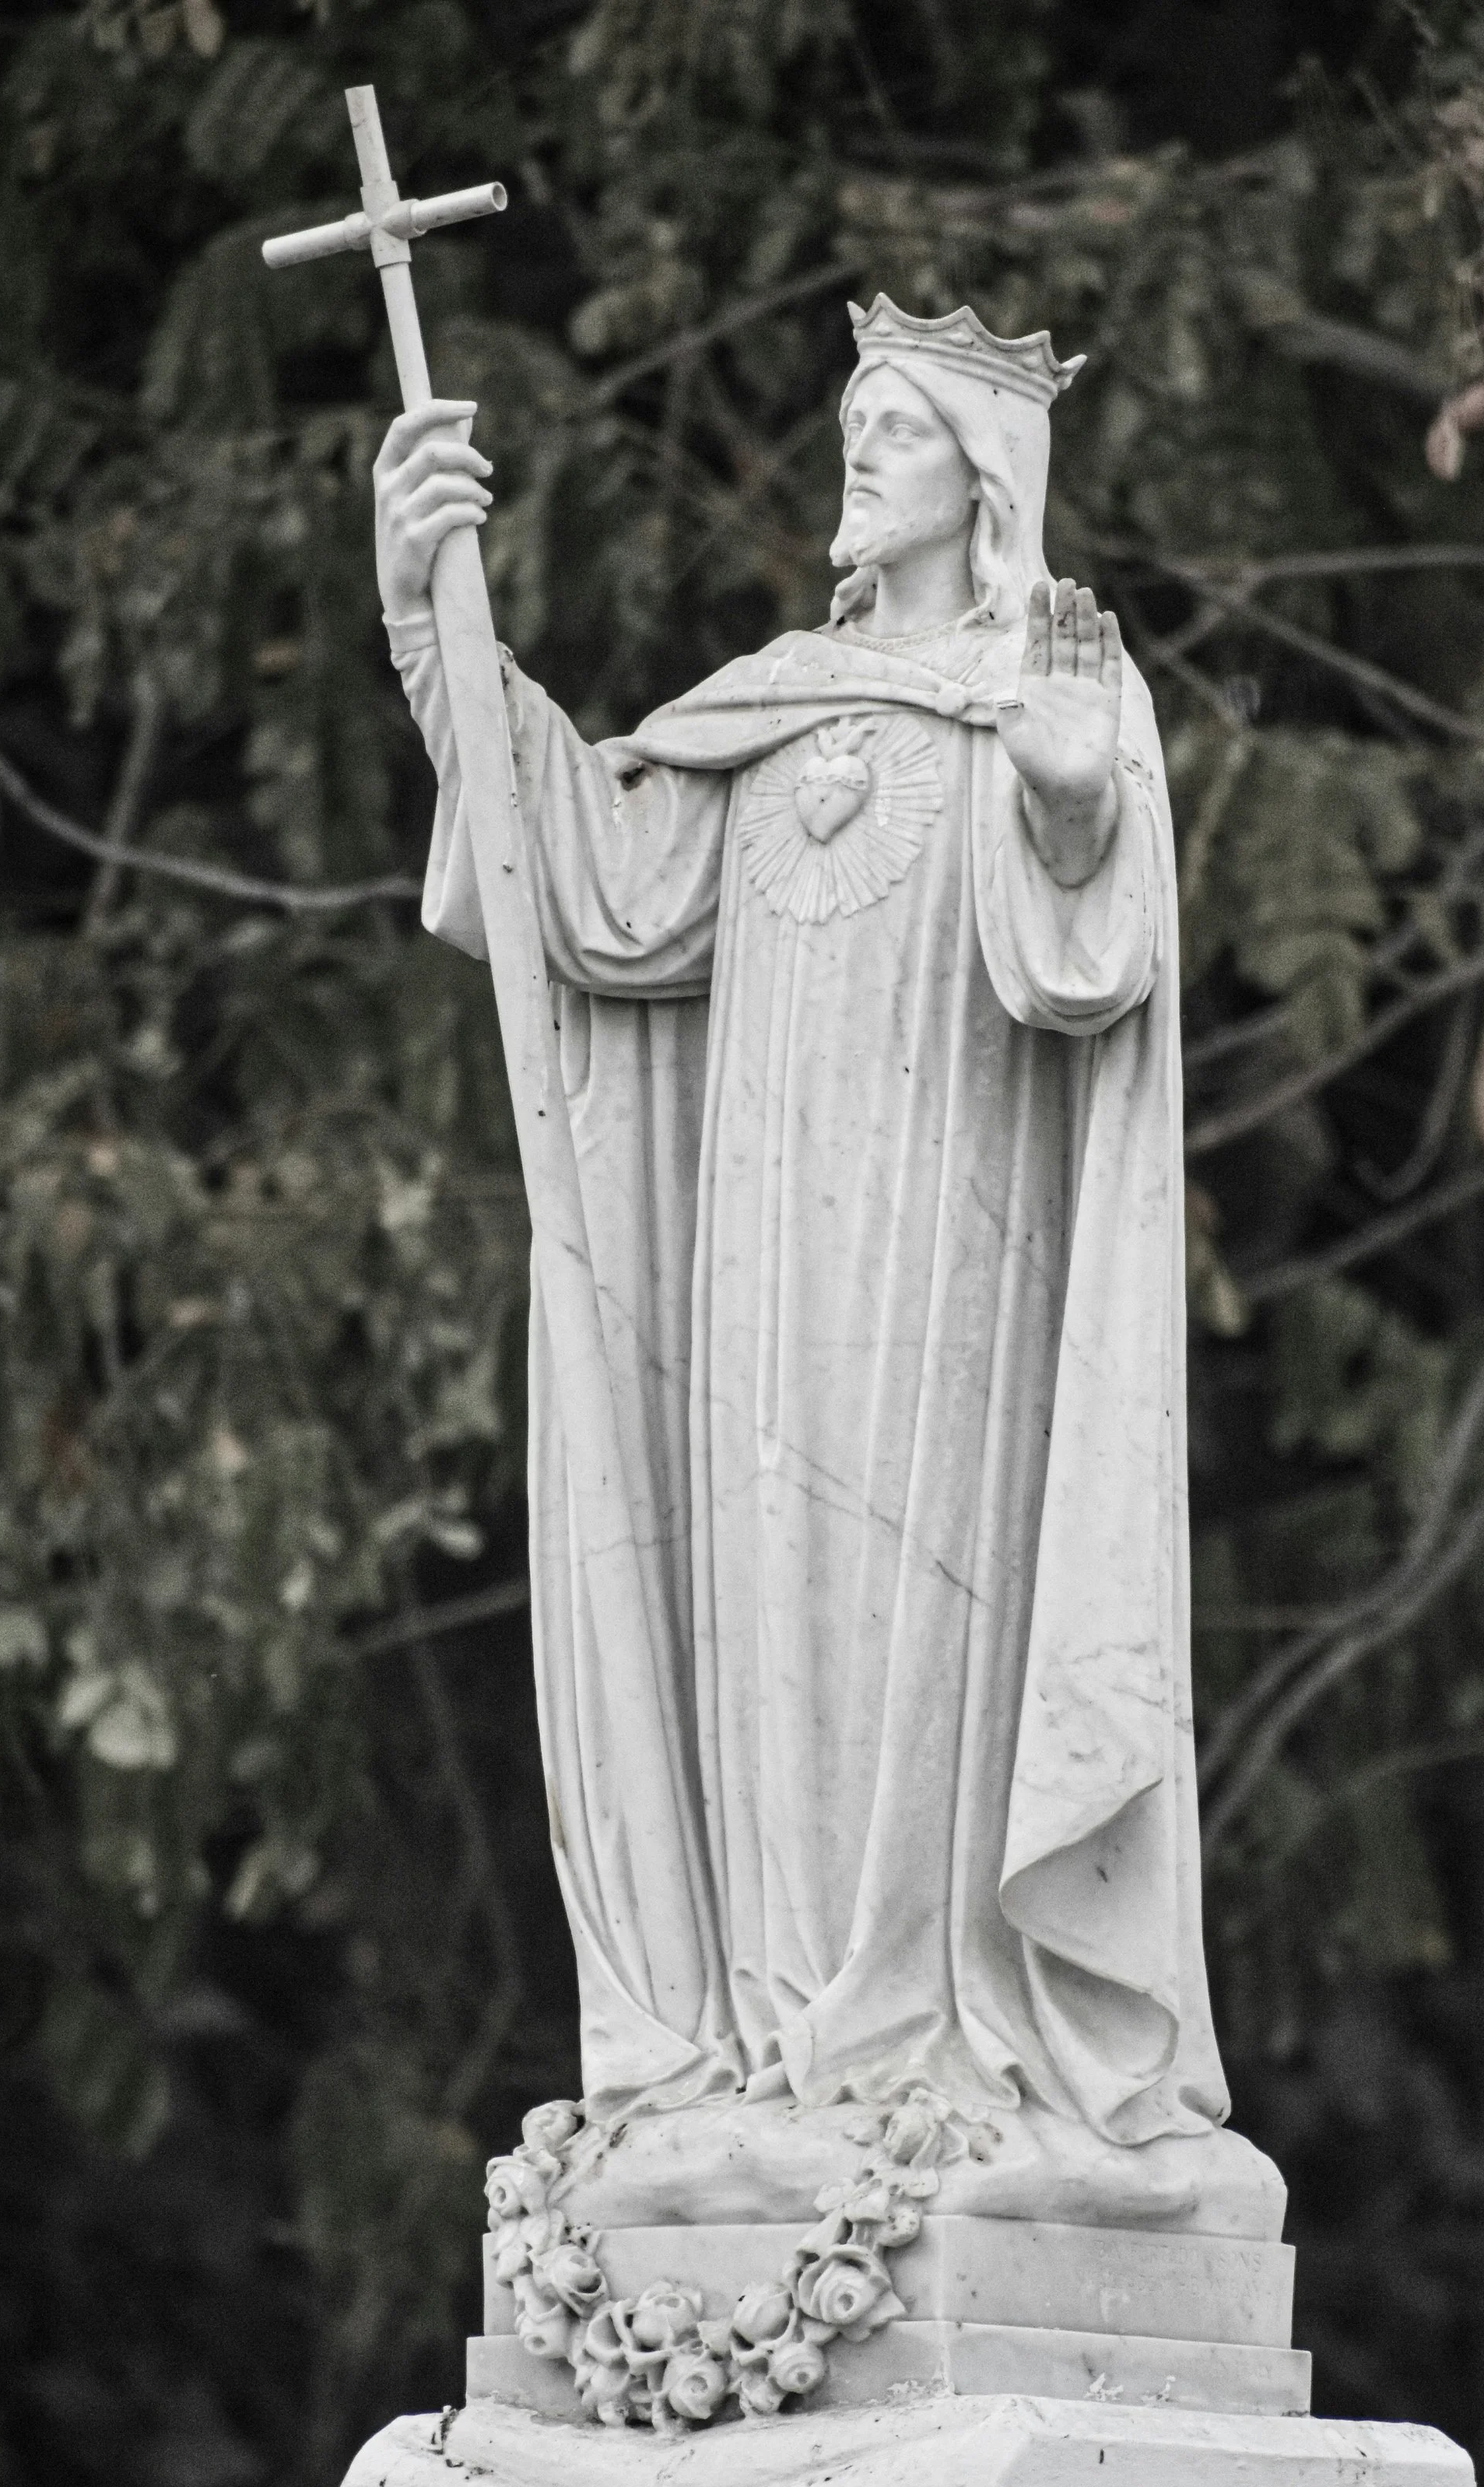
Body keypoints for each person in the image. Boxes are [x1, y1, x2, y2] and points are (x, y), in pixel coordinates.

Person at [377, 296, 1275, 2233]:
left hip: (955, 1265)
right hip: (761, 1265)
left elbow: (1088, 967)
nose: (856, 458)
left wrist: (1060, 792)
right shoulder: (773, 704)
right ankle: (786, 2033)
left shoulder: (1048, 677)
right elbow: (597, 896)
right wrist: (426, 626)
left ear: (986, 481)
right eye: (851, 425)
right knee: (767, 1629)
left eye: (898, 432)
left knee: (919, 1627)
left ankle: (940, 2037)